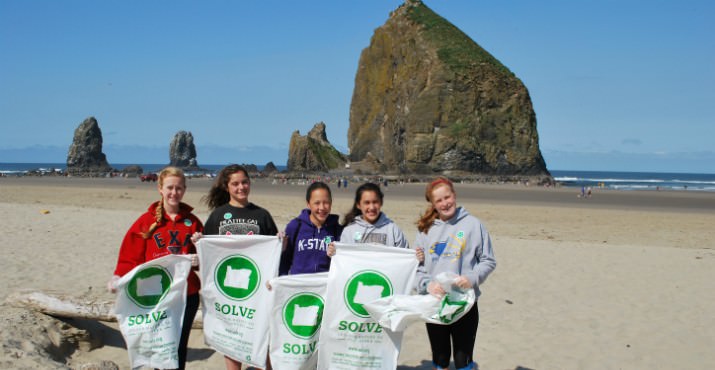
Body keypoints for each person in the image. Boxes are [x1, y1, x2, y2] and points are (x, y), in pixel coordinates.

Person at [107, 166, 203, 370]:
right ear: (160, 188)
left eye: (178, 188)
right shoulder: (146, 221)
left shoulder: (193, 223)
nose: (174, 192)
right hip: (156, 295)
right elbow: (130, 255)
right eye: (169, 187)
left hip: (187, 295)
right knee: (159, 345)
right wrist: (118, 277)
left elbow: (205, 259)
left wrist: (198, 259)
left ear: (184, 190)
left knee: (178, 347)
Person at [199, 164, 278, 370]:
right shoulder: (218, 215)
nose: (241, 187)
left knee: (260, 336)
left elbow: (273, 253)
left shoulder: (262, 215)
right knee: (232, 339)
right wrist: (198, 242)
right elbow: (209, 252)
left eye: (244, 182)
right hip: (228, 290)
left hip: (256, 288)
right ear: (227, 187)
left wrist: (281, 241)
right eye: (235, 184)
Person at [414, 177, 496, 370]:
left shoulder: (474, 225)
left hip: (465, 305)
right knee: (440, 358)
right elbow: (416, 269)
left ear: (454, 195)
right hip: (435, 303)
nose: (445, 203)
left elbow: (488, 260)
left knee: (463, 360)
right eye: (439, 200)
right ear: (433, 204)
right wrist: (427, 285)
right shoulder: (425, 230)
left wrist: (473, 278)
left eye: (447, 197)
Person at [279, 181, 342, 275]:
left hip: (325, 286)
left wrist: (337, 254)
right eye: (317, 203)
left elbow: (344, 264)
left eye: (326, 202)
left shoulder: (337, 230)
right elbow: (284, 260)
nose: (322, 207)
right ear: (308, 204)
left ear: (331, 203)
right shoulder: (295, 226)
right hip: (299, 286)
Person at [335, 182, 409, 248]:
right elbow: (343, 257)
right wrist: (334, 252)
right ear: (358, 205)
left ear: (381, 202)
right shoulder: (350, 231)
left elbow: (405, 256)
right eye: (367, 203)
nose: (372, 207)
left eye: (375, 202)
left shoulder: (392, 229)